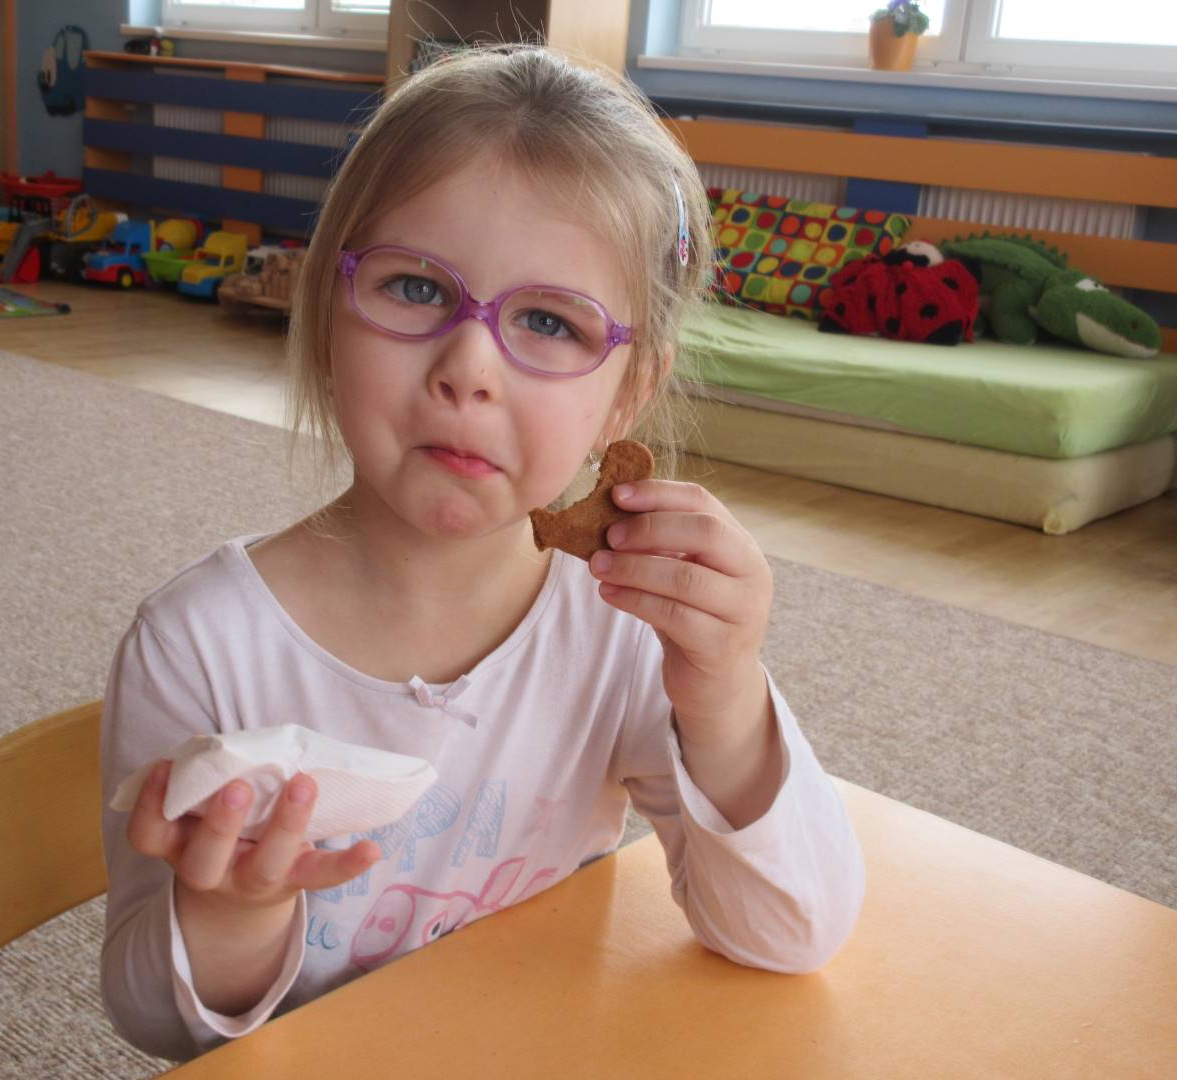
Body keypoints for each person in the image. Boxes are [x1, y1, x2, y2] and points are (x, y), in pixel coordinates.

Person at [99, 45, 865, 1062]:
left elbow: (789, 933)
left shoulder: (621, 627)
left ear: (628, 397)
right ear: (327, 310)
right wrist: (232, 916)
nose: (468, 368)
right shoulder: (198, 647)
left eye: (549, 321)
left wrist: (724, 697)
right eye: (417, 288)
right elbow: (150, 1022)